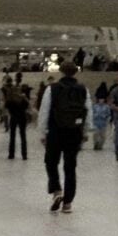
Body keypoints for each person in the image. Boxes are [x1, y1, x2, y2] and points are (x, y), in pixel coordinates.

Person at [38, 62, 93, 214]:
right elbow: (88, 110)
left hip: (55, 131)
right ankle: (68, 203)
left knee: (51, 162)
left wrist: (43, 132)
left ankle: (56, 191)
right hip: (74, 132)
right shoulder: (83, 89)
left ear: (61, 72)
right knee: (70, 167)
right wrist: (86, 131)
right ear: (75, 73)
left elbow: (44, 112)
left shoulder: (52, 89)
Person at [4, 78, 31, 160]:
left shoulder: (10, 99)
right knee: (23, 136)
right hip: (22, 117)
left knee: (12, 136)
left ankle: (11, 154)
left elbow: (5, 107)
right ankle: (24, 155)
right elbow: (29, 106)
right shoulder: (22, 98)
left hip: (13, 118)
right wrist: (25, 98)